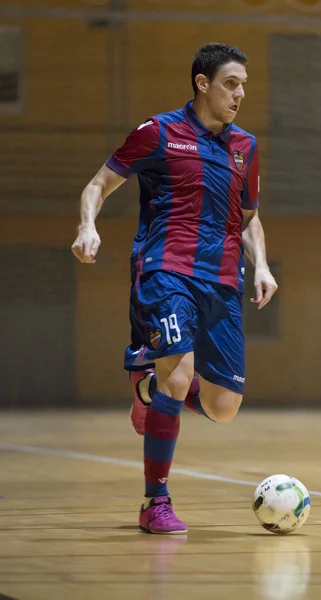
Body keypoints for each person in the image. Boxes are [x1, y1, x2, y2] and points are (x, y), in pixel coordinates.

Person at [71, 43, 278, 534]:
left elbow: (249, 220)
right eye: (231, 83)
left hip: (222, 281)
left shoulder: (244, 147)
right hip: (165, 270)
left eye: (244, 84)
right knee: (180, 377)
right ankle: (154, 502)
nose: (240, 93)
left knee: (223, 408)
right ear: (202, 84)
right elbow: (98, 183)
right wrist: (87, 226)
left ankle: (146, 387)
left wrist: (263, 265)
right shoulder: (159, 132)